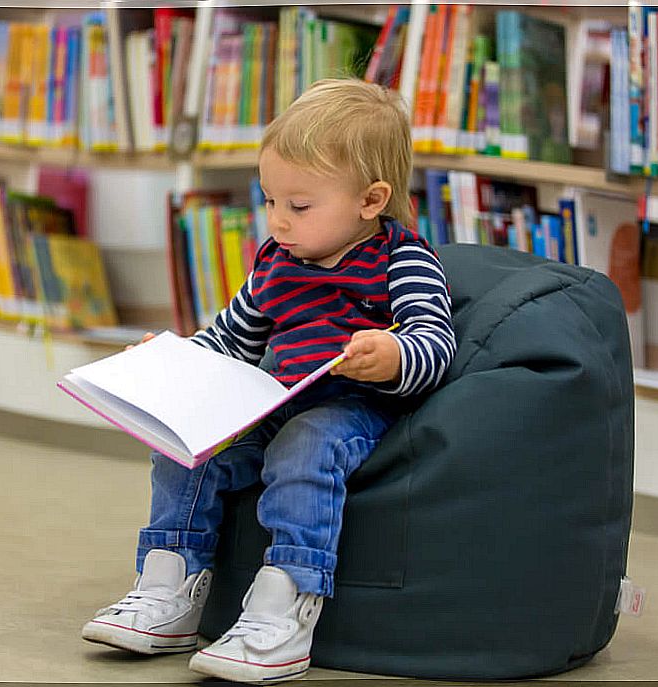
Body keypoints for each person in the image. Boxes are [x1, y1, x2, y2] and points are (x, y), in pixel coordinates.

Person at [81, 78, 456, 684]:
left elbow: (435, 345)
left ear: (370, 199)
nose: (278, 221)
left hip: (352, 412)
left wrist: (389, 353)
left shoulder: (402, 259)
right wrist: (170, 364)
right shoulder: (276, 262)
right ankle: (168, 583)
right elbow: (229, 339)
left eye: (299, 206)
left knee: (305, 444)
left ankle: (285, 604)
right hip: (273, 405)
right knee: (188, 447)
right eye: (270, 201)